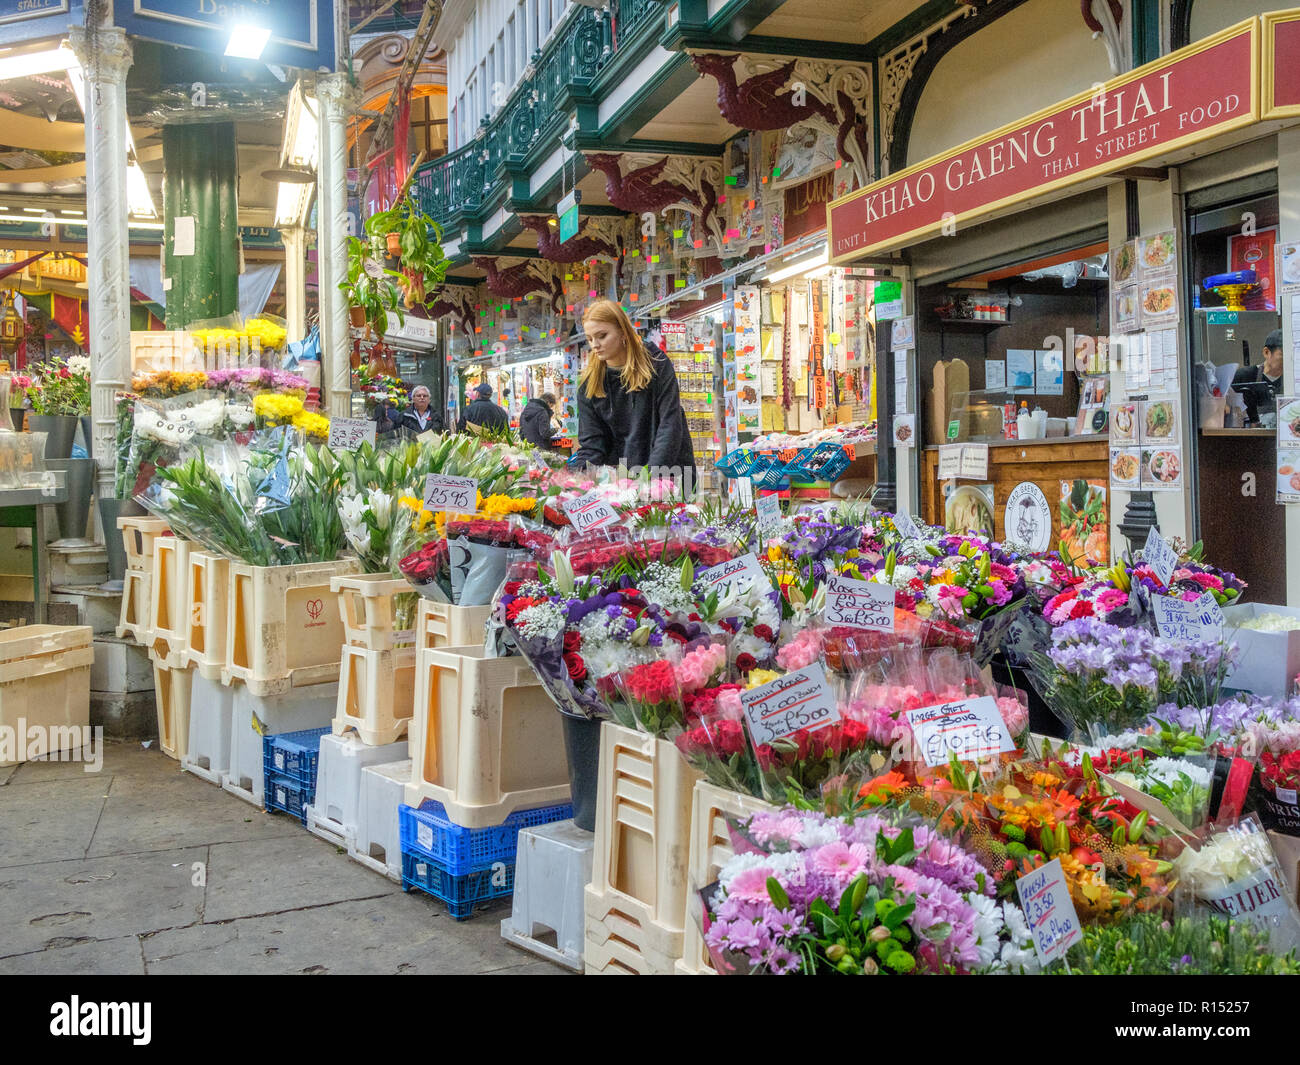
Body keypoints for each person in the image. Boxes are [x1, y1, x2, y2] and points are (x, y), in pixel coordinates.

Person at [571, 298, 695, 483]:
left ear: (623, 331)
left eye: (602, 335)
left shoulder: (656, 364)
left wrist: (649, 480)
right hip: (621, 483)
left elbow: (670, 425)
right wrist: (575, 478)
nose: (595, 344)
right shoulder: (589, 384)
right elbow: (592, 445)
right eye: (589, 339)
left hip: (670, 474)